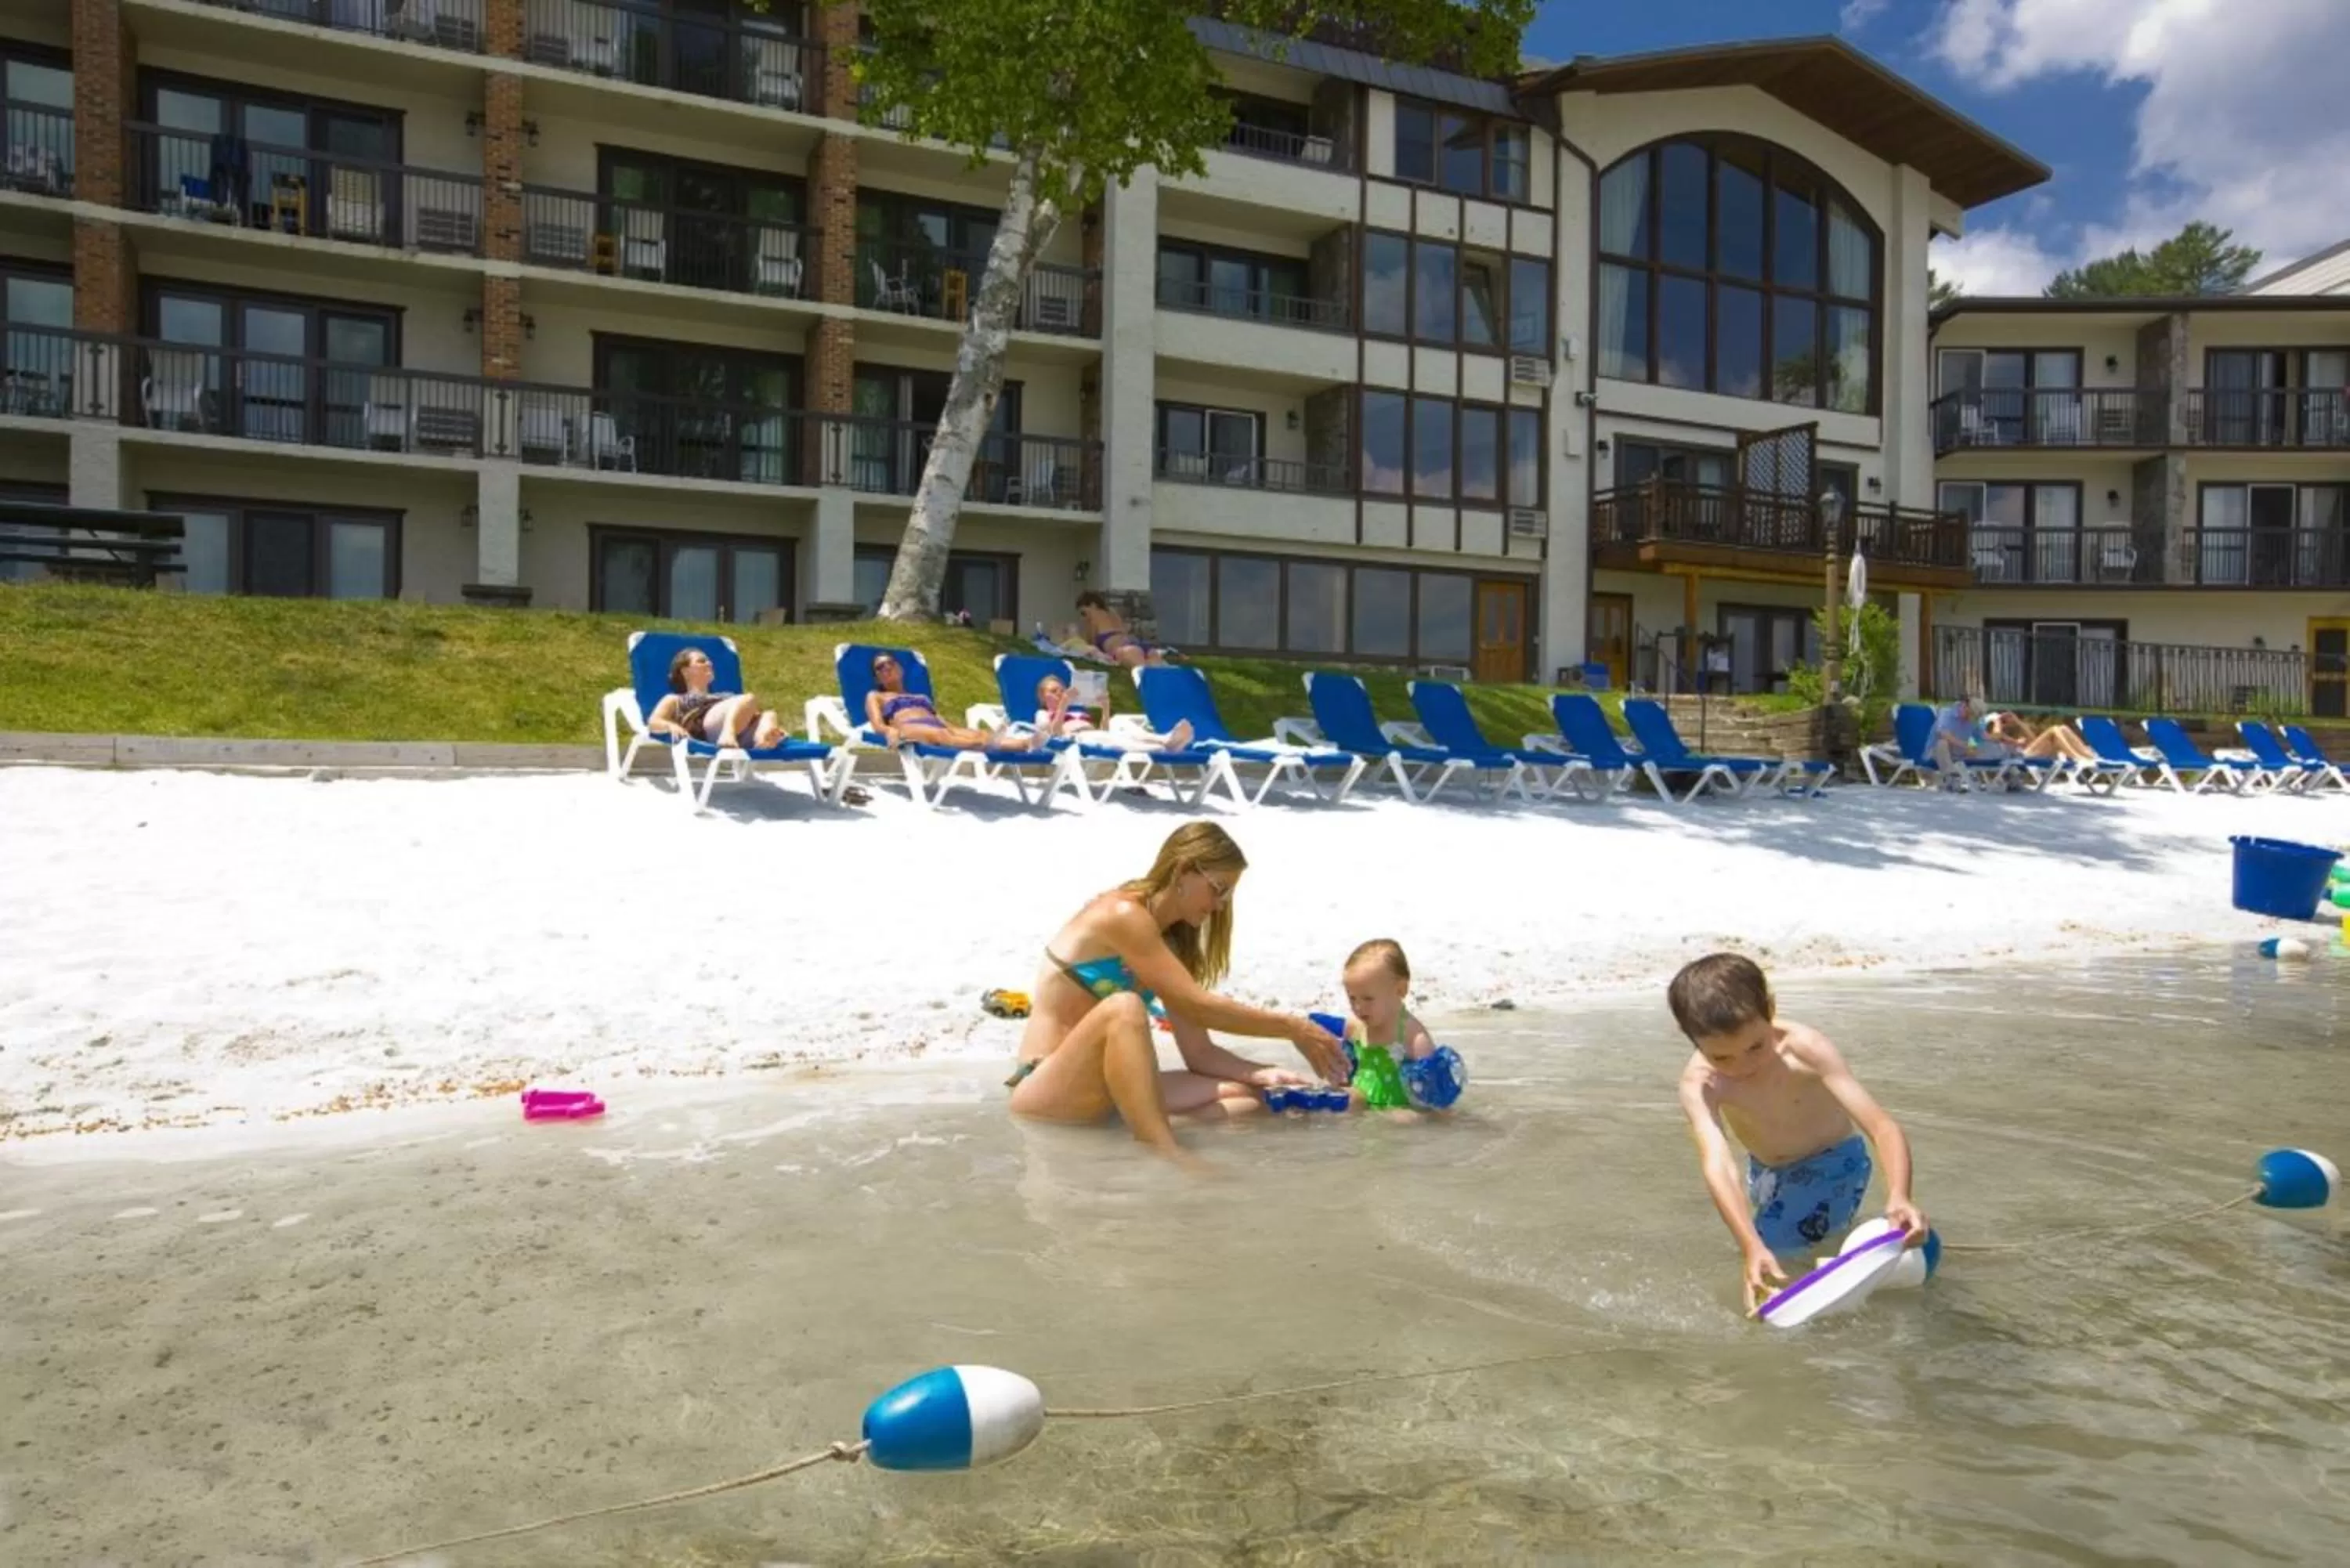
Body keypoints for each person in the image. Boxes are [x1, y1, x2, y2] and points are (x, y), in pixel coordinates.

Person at [1007, 822, 1348, 1166]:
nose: (1219, 905)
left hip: (1107, 1093)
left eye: (1228, 896)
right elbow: (1199, 1007)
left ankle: (1127, 1138)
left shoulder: (1171, 942)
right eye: (1218, 889)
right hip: (1048, 1087)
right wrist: (1293, 1027)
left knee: (1257, 1099)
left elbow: (1199, 1052)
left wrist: (1261, 1072)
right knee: (1123, 1008)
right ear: (1184, 870)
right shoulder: (1123, 914)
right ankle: (1166, 1151)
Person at [1668, 952, 1929, 1311]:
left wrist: (1899, 1195)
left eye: (1755, 1046)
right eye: (1722, 1058)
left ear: (1770, 1009)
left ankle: (1803, 1319)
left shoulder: (1806, 1050)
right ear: (1692, 1040)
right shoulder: (1701, 1084)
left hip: (1834, 1164)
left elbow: (1881, 1126)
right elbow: (1719, 1166)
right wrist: (1750, 1247)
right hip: (1766, 1172)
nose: (1743, 1067)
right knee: (1762, 1248)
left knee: (1778, 1252)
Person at [863, 651, 1044, 752]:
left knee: (978, 733)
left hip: (934, 724)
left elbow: (942, 721)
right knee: (943, 737)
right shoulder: (876, 696)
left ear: (900, 668)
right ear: (878, 678)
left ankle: (1027, 744)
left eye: (891, 663)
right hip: (908, 726)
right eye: (880, 667)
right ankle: (983, 747)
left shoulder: (921, 698)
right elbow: (877, 724)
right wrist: (889, 731)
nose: (887, 667)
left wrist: (958, 730)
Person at [1338, 939, 1439, 1115]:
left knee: (1405, 1119)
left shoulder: (1413, 1037)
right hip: (1363, 1103)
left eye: (1368, 999)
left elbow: (1435, 1099)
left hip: (1399, 1110)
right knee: (1344, 1100)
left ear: (1400, 990)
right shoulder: (1355, 1028)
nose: (1358, 1008)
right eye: (1352, 998)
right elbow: (1345, 1073)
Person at [646, 648, 790, 750]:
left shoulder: (723, 695)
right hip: (706, 727)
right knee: (749, 699)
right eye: (701, 661)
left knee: (769, 715)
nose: (709, 664)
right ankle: (728, 733)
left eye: (709, 661)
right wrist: (671, 726)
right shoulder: (674, 699)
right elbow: (654, 722)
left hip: (738, 733)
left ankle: (765, 741)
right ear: (685, 671)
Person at [1032, 671, 1195, 753]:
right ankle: (1163, 745)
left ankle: (1163, 740)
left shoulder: (1078, 713)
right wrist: (1063, 707)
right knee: (1109, 738)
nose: (1059, 694)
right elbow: (1055, 735)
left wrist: (1105, 708)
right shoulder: (1042, 714)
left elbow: (1104, 731)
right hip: (1076, 740)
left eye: (1061, 690)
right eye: (1053, 691)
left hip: (1095, 736)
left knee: (1118, 721)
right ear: (1041, 697)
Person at [1075, 591, 1173, 670]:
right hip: (1135, 643)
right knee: (1157, 670)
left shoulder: (1093, 618)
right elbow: (1122, 630)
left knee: (1144, 673)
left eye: (1084, 613)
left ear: (1093, 605)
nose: (1084, 617)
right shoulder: (1111, 611)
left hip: (1123, 649)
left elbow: (1092, 643)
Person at [1984, 709, 2097, 764]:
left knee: (2063, 728)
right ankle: (2077, 757)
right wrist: (1997, 720)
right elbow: (1997, 735)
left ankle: (2089, 756)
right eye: (1999, 723)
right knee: (2054, 730)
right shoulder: (1992, 736)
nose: (2003, 724)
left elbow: (2033, 740)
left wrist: (2018, 722)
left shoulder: (2004, 736)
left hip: (2026, 755)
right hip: (2021, 758)